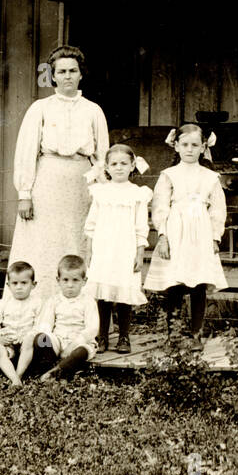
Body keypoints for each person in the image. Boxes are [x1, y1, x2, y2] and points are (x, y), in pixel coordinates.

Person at [8, 45, 109, 302]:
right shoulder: (40, 108)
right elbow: (26, 151)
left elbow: (102, 155)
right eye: (61, 71)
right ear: (53, 75)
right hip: (48, 182)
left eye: (72, 71)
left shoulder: (93, 110)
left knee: (77, 243)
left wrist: (101, 190)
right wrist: (25, 193)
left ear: (80, 75)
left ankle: (76, 311)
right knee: (43, 245)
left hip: (81, 184)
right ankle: (37, 308)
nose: (67, 77)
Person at [142, 124, 227, 351]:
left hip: (200, 234)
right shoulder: (169, 175)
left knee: (198, 283)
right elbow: (159, 206)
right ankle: (174, 335)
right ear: (176, 146)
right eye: (185, 144)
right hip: (176, 232)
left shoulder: (210, 177)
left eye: (195, 145)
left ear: (203, 148)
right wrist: (163, 236)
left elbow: (218, 209)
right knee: (175, 284)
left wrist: (215, 238)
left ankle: (196, 334)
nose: (190, 149)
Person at [85, 143, 151, 354]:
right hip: (104, 248)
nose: (119, 167)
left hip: (125, 249)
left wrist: (139, 253)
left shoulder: (138, 194)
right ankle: (102, 335)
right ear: (106, 167)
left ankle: (124, 336)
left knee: (123, 292)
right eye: (114, 164)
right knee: (102, 293)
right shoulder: (100, 192)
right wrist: (89, 252)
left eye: (124, 163)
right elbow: (91, 225)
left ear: (133, 166)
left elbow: (142, 227)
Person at [30, 254, 101, 381]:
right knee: (40, 339)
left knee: (81, 352)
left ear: (84, 281)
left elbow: (92, 329)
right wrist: (48, 338)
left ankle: (56, 371)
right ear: (58, 280)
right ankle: (50, 367)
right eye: (65, 280)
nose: (70, 285)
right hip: (58, 339)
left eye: (75, 280)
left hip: (79, 341)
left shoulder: (88, 302)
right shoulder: (54, 300)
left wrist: (74, 343)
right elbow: (46, 324)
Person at [0, 260, 44, 386]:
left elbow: (40, 325)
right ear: (8, 285)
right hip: (8, 342)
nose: (19, 287)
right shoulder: (3, 303)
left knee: (29, 340)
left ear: (33, 284)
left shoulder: (38, 303)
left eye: (24, 283)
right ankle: (15, 379)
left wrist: (29, 335)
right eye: (15, 283)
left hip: (27, 344)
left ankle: (19, 375)